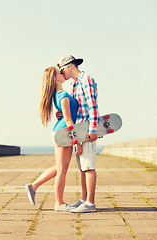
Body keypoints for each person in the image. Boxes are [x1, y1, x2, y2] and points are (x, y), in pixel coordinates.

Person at [25, 67, 82, 211]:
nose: (63, 74)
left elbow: (65, 115)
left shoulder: (57, 95)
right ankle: (59, 203)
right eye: (60, 73)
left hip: (60, 131)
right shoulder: (62, 95)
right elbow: (69, 121)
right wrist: (76, 142)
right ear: (56, 79)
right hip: (64, 133)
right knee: (62, 170)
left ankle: (34, 186)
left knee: (60, 167)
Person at [56, 55, 100, 213]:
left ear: (69, 66)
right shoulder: (75, 85)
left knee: (88, 167)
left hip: (88, 129)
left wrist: (93, 129)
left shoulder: (86, 79)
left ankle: (90, 203)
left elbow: (92, 106)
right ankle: (84, 199)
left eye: (62, 70)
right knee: (82, 168)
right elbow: (77, 109)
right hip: (79, 131)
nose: (62, 74)